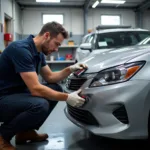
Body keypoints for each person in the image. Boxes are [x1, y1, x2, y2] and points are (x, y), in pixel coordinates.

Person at [0, 21, 87, 150]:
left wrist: (70, 69)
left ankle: (24, 132)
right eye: (56, 44)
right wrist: (67, 97)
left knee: (55, 88)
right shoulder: (21, 50)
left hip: (17, 95)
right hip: (3, 99)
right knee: (40, 105)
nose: (56, 49)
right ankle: (3, 136)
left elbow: (50, 77)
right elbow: (35, 89)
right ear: (46, 36)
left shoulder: (39, 52)